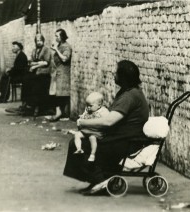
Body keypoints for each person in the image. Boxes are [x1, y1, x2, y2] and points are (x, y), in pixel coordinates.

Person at [63, 60, 149, 195]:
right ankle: (98, 178)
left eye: (116, 73)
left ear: (123, 77)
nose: (114, 75)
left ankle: (101, 180)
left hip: (127, 142)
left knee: (80, 145)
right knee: (82, 142)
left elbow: (109, 121)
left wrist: (83, 123)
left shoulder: (130, 96)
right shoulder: (128, 92)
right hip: (121, 138)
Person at [7, 34, 51, 117]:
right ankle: (26, 104)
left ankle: (32, 106)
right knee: (25, 80)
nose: (38, 42)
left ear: (43, 41)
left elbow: (46, 62)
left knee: (33, 84)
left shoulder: (46, 50)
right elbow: (30, 61)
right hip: (35, 72)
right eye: (37, 41)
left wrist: (35, 65)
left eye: (40, 40)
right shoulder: (34, 50)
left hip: (43, 72)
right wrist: (35, 63)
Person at [73, 92, 109, 162]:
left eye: (90, 106)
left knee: (92, 138)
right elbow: (84, 116)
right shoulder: (88, 109)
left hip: (96, 131)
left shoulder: (104, 111)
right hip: (86, 130)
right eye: (87, 105)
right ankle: (79, 149)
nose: (88, 107)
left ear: (99, 105)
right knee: (77, 135)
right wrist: (82, 117)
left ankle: (92, 154)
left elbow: (107, 120)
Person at [48, 28, 72, 121]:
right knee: (55, 93)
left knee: (61, 94)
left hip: (63, 73)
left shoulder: (66, 46)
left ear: (62, 37)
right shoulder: (60, 45)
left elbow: (65, 59)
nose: (56, 38)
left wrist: (56, 50)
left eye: (57, 36)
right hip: (57, 73)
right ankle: (59, 112)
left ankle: (62, 113)